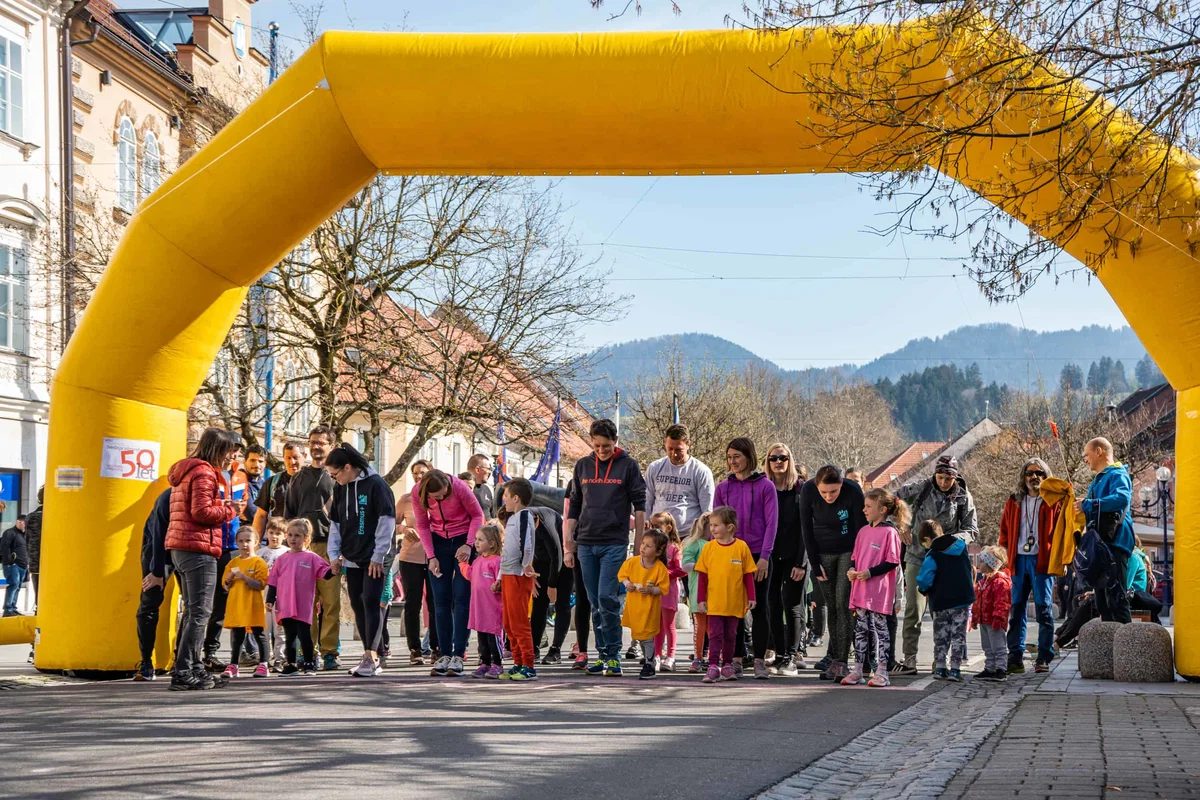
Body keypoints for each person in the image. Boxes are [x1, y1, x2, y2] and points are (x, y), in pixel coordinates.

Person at [565, 418, 647, 678]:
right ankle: (601, 654)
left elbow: (640, 507)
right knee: (592, 601)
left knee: (607, 598)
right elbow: (573, 506)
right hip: (586, 543)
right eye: (597, 445)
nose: (602, 450)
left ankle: (613, 655)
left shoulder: (629, 466)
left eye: (607, 446)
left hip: (614, 542)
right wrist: (568, 543)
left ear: (616, 442)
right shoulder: (583, 466)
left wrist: (640, 547)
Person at [165, 427, 243, 691]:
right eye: (230, 451)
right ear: (217, 449)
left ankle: (193, 666)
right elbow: (201, 512)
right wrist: (230, 510)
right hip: (198, 547)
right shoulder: (205, 473)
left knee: (193, 612)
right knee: (200, 613)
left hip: (182, 547)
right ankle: (184, 671)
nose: (231, 457)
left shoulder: (186, 471)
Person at [896, 455, 978, 676]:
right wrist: (901, 525)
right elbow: (893, 501)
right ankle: (910, 658)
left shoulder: (963, 497)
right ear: (935, 474)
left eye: (948, 479)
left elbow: (972, 530)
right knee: (914, 608)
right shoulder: (921, 488)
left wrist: (950, 541)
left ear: (955, 477)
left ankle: (940, 659)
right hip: (917, 555)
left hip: (945, 560)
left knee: (941, 611)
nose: (944, 482)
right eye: (940, 477)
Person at [325, 442, 397, 678]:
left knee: (371, 600)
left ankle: (372, 655)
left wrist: (378, 556)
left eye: (335, 474)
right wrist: (334, 555)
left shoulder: (376, 485)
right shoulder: (341, 488)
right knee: (357, 603)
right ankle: (369, 655)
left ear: (348, 467)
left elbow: (387, 521)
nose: (334, 479)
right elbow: (335, 523)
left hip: (376, 556)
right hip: (352, 555)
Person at [713, 437, 778, 680]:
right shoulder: (722, 488)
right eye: (729, 457)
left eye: (736, 456)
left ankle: (760, 659)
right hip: (730, 555)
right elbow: (716, 526)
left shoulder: (765, 486)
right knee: (734, 609)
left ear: (749, 456)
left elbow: (772, 524)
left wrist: (764, 557)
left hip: (757, 554)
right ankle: (736, 659)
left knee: (760, 606)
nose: (732, 462)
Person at [799, 465, 868, 682]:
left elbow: (861, 528)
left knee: (843, 604)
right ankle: (836, 659)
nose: (829, 496)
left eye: (834, 492)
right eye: (824, 492)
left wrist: (856, 562)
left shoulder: (853, 490)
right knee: (831, 606)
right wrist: (813, 560)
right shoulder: (808, 491)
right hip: (823, 551)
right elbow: (806, 528)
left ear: (841, 485)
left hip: (849, 550)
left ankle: (841, 661)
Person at [413, 468, 485, 677]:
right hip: (437, 543)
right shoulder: (418, 492)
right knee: (440, 600)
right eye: (437, 497)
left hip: (463, 539)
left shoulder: (460, 487)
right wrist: (431, 555)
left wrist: (469, 545)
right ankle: (444, 653)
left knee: (462, 598)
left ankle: (459, 653)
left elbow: (477, 514)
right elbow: (423, 525)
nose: (442, 498)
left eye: (445, 494)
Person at [284, 427, 340, 670]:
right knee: (307, 604)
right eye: (313, 442)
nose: (316, 447)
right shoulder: (298, 477)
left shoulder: (338, 476)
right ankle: (309, 651)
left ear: (331, 446)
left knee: (330, 603)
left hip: (330, 547)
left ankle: (329, 652)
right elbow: (290, 514)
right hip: (305, 550)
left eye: (321, 443)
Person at [998, 457, 1060, 675]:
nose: (1035, 477)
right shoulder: (1014, 501)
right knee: (1016, 610)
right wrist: (1004, 554)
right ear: (1023, 477)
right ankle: (1015, 657)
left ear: (1046, 476)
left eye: (1040, 473)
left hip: (1042, 561)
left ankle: (1043, 656)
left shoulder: (1053, 501)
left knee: (1044, 609)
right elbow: (1004, 532)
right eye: (1030, 473)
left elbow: (1064, 527)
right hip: (1018, 560)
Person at [842, 488, 908, 688]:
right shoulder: (863, 531)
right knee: (860, 630)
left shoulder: (890, 532)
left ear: (883, 510)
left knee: (881, 631)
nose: (864, 510)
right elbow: (855, 558)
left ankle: (882, 670)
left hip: (879, 591)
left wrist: (870, 572)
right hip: (860, 590)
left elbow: (893, 561)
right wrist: (852, 570)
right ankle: (858, 670)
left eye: (869, 506)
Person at [1074, 437, 1134, 624]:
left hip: (1114, 543)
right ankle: (1109, 649)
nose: (1085, 459)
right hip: (1102, 546)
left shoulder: (1117, 474)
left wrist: (1090, 504)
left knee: (1116, 599)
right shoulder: (1100, 479)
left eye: (1087, 454)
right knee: (1102, 602)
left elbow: (1122, 498)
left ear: (1099, 451)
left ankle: (1126, 649)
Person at [695, 506, 757, 683]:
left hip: (735, 602)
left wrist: (751, 597)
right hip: (714, 602)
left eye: (716, 525)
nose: (712, 529)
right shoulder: (709, 548)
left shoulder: (741, 547)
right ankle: (713, 666)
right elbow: (702, 577)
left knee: (731, 635)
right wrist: (701, 600)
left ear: (730, 527)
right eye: (711, 525)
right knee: (715, 635)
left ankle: (728, 665)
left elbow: (747, 575)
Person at [266, 518, 334, 675]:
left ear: (306, 538)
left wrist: (335, 569)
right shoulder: (281, 559)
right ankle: (291, 664)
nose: (292, 539)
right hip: (285, 604)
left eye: (297, 535)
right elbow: (273, 581)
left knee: (304, 635)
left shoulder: (311, 557)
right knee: (289, 636)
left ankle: (309, 663)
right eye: (289, 535)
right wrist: (270, 599)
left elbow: (325, 572)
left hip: (303, 604)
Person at [765, 443, 809, 675]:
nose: (778, 462)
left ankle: (792, 657)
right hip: (771, 556)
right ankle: (780, 653)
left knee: (792, 605)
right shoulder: (765, 487)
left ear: (789, 460)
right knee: (772, 604)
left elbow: (806, 528)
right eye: (773, 458)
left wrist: (801, 562)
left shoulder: (801, 489)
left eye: (782, 458)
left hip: (796, 556)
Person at [916, 519, 976, 682]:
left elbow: (924, 578)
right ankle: (956, 669)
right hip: (962, 599)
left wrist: (923, 589)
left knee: (941, 635)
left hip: (941, 601)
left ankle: (941, 667)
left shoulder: (933, 554)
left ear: (927, 539)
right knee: (958, 635)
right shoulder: (961, 546)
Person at [499, 477, 539, 681]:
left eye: (506, 496)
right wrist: (499, 575)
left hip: (518, 575)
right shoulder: (512, 518)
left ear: (515, 498)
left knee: (519, 621)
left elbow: (527, 543)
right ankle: (517, 662)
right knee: (508, 622)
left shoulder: (524, 516)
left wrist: (526, 565)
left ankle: (529, 665)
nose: (503, 500)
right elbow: (507, 549)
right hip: (507, 574)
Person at [619, 529, 671, 681]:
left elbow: (663, 588)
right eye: (643, 543)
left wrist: (651, 590)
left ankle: (649, 662)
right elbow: (622, 574)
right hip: (635, 607)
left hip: (649, 609)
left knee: (648, 636)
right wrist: (627, 583)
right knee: (640, 636)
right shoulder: (633, 562)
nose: (643, 547)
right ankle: (648, 659)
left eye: (648, 546)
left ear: (658, 551)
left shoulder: (660, 568)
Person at [644, 424, 715, 534]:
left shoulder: (701, 471)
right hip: (658, 534)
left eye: (678, 449)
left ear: (688, 445)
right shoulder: (655, 468)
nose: (674, 454)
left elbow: (707, 509)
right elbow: (647, 501)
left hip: (688, 535)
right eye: (670, 449)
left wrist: (702, 536)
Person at [397, 459, 435, 665]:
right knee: (412, 603)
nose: (418, 476)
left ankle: (437, 646)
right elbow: (390, 524)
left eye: (422, 473)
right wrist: (404, 529)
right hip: (409, 557)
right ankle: (415, 649)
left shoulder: (438, 498)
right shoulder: (405, 499)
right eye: (415, 473)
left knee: (435, 602)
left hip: (433, 558)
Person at [220, 527, 270, 679]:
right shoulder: (233, 562)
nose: (244, 545)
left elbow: (261, 584)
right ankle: (234, 664)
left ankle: (264, 664)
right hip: (237, 605)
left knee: (259, 634)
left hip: (253, 605)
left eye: (248, 541)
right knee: (237, 635)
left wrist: (245, 578)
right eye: (241, 541)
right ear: (236, 543)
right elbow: (225, 585)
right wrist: (228, 580)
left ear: (255, 542)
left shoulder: (259, 562)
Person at [134, 488, 174, 680]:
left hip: (188, 550)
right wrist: (157, 571)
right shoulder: (168, 497)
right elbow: (158, 534)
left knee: (195, 606)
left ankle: (184, 660)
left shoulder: (204, 489)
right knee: (150, 600)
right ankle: (146, 662)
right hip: (162, 552)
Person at [647, 512, 686, 672]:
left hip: (669, 590)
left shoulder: (674, 548)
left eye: (658, 526)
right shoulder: (652, 548)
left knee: (669, 624)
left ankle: (670, 656)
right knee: (657, 625)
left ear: (668, 528)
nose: (654, 530)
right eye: (652, 526)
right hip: (654, 591)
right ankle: (656, 655)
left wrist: (665, 574)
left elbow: (681, 570)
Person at [465, 522, 505, 679]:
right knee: (481, 637)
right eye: (476, 539)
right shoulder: (477, 561)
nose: (476, 542)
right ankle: (485, 663)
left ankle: (498, 664)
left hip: (492, 608)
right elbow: (470, 574)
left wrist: (499, 585)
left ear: (492, 543)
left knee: (493, 637)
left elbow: (501, 583)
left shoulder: (497, 561)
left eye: (480, 539)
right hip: (479, 607)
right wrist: (461, 564)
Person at [971, 545, 1013, 682]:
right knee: (987, 646)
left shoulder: (1000, 583)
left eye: (982, 561)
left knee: (998, 646)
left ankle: (1001, 668)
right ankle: (989, 668)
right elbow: (978, 602)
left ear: (990, 565)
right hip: (984, 619)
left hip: (994, 620)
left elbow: (1002, 603)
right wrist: (975, 618)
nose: (979, 563)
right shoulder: (983, 582)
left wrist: (998, 618)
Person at [252, 441, 306, 540]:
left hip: (305, 543)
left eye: (295, 457)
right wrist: (256, 544)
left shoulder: (312, 482)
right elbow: (261, 516)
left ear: (304, 456)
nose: (292, 462)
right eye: (288, 458)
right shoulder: (273, 483)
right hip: (278, 543)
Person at [681, 512, 712, 673]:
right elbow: (685, 565)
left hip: (715, 593)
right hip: (698, 594)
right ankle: (698, 657)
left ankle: (714, 657)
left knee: (713, 629)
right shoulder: (694, 543)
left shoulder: (718, 544)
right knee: (700, 627)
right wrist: (703, 565)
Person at [259, 517, 289, 669]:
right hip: (263, 595)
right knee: (264, 628)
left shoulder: (287, 553)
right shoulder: (260, 553)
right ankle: (264, 658)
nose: (274, 536)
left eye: (278, 533)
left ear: (285, 535)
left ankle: (280, 657)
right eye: (271, 532)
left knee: (280, 629)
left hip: (281, 596)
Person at [0, 515, 27, 617]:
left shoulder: (23, 535)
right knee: (13, 585)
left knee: (18, 586)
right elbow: (4, 547)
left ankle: (13, 608)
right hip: (12, 565)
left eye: (24, 523)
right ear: (17, 522)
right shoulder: (10, 533)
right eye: (22, 522)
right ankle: (8, 609)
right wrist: (10, 562)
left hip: (22, 565)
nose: (23, 525)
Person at [24, 487, 41, 604]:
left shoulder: (30, 516)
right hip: (54, 562)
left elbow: (27, 539)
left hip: (35, 561)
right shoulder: (56, 515)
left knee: (38, 593)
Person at [468, 454, 495, 518]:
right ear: (477, 469)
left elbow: (493, 516)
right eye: (488, 469)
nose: (489, 472)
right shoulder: (461, 490)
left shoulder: (486, 490)